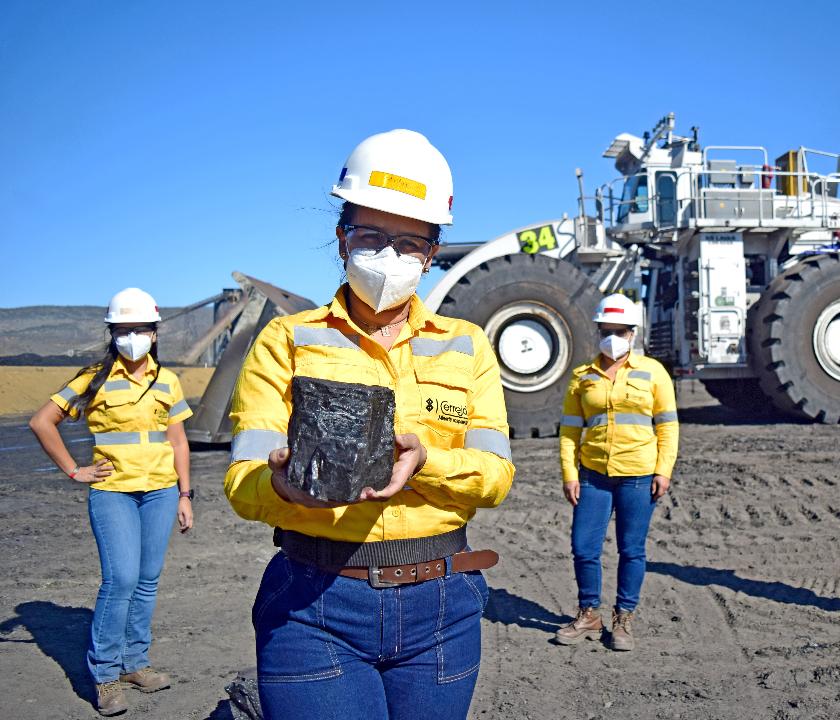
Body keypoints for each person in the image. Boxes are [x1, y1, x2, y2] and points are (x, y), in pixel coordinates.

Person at [224, 129, 514, 720]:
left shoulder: (467, 346)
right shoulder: (287, 340)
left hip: (442, 607)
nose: (389, 256)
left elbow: (496, 478)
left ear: (431, 254)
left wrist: (427, 461)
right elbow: (242, 481)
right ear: (342, 239)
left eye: (409, 243)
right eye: (372, 236)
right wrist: (282, 486)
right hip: (313, 601)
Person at [29, 288, 194, 716]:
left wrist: (185, 494)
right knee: (120, 581)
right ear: (112, 333)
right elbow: (42, 421)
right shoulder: (93, 378)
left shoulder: (168, 381)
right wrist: (74, 470)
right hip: (113, 492)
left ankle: (135, 663)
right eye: (122, 330)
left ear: (154, 333)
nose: (131, 337)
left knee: (147, 581)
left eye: (139, 329)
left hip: (160, 492)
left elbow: (178, 441)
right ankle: (105, 675)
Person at [554, 293, 679, 651]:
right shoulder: (582, 376)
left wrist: (663, 470)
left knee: (631, 550)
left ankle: (623, 618)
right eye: (606, 331)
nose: (613, 338)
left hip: (639, 475)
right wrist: (569, 474)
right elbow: (569, 430)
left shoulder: (653, 372)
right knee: (583, 547)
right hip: (593, 476)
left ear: (632, 333)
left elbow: (668, 426)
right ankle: (588, 614)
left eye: (620, 331)